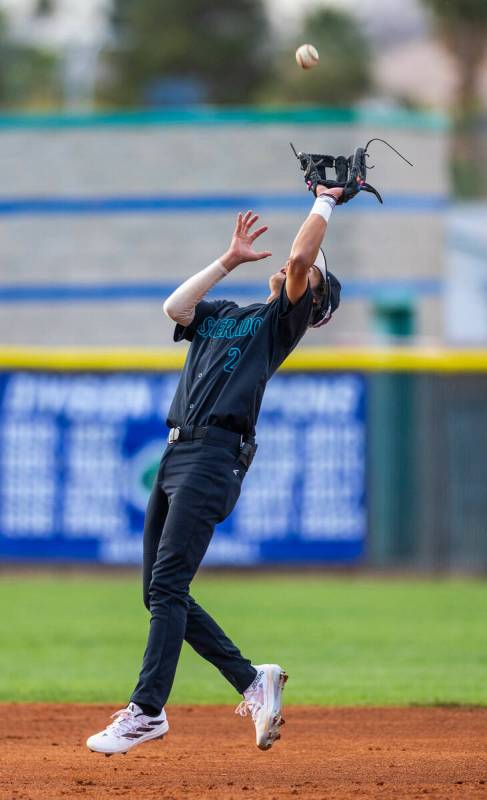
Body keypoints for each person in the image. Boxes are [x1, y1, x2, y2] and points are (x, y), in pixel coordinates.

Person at [86, 183, 343, 757]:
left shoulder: (282, 322)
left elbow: (301, 257)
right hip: (176, 452)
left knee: (168, 585)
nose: (295, 270)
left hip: (214, 456)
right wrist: (228, 259)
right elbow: (174, 308)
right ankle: (253, 681)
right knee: (158, 592)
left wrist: (325, 200)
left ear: (313, 305)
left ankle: (147, 711)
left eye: (312, 281)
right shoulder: (227, 314)